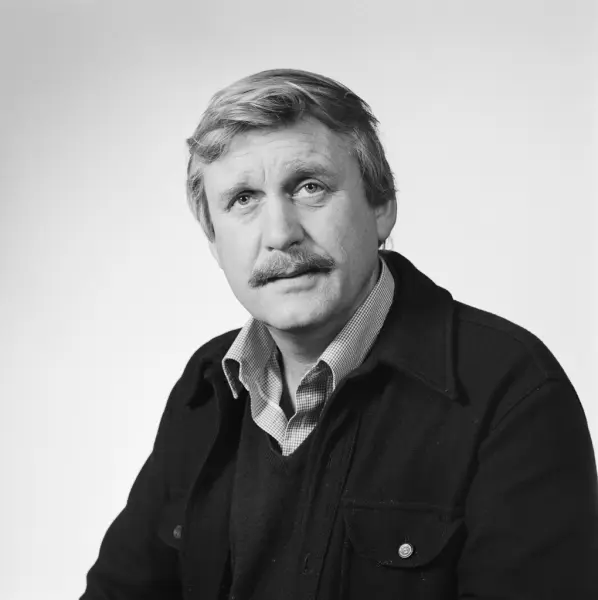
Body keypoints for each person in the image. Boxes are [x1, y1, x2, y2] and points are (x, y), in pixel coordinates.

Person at [81, 69, 598, 600]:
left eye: (310, 187)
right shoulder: (208, 386)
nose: (280, 234)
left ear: (381, 206)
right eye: (243, 199)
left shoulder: (511, 392)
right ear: (214, 242)